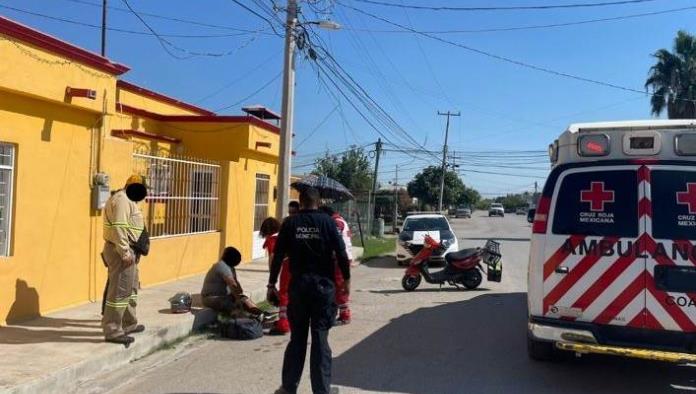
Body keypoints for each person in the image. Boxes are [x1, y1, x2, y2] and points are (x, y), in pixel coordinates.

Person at [268, 188, 350, 394]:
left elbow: (278, 256)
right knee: (320, 338)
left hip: (299, 288)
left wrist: (271, 285)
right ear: (318, 202)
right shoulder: (328, 222)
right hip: (323, 289)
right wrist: (346, 281)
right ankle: (322, 390)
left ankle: (288, 388)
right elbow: (341, 252)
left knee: (298, 338)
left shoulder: (290, 223)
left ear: (301, 202)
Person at [102, 175, 147, 346]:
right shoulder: (122, 200)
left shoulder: (128, 200)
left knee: (131, 288)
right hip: (121, 251)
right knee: (119, 292)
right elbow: (120, 226)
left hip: (129, 250)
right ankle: (113, 330)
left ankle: (129, 323)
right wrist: (125, 252)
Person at [201, 246, 261, 317]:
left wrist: (241, 297)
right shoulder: (221, 266)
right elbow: (232, 284)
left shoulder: (231, 268)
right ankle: (245, 320)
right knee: (231, 304)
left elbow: (237, 286)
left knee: (244, 299)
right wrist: (238, 299)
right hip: (211, 298)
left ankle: (260, 313)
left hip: (223, 296)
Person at [319, 206, 354, 325]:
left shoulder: (336, 223)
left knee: (339, 285)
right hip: (343, 256)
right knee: (337, 284)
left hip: (340, 258)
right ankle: (340, 311)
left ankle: (345, 314)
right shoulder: (341, 220)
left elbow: (335, 241)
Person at [260, 217, 291, 335]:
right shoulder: (285, 235)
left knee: (284, 294)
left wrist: (272, 279)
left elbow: (273, 257)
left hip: (287, 267)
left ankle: (283, 324)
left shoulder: (272, 239)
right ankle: (290, 320)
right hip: (298, 266)